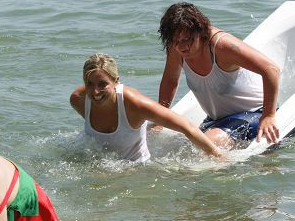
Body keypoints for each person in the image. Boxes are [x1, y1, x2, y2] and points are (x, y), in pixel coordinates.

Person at [158, 2, 280, 146]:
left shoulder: (221, 47)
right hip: (216, 119)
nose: (182, 46)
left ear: (200, 32)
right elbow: (170, 80)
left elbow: (271, 69)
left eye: (187, 40)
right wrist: (161, 117)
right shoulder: (176, 49)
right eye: (176, 41)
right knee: (183, 147)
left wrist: (269, 116)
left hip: (254, 112)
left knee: (207, 144)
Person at [70, 53, 225, 162]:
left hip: (136, 170)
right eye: (90, 84)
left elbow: (186, 126)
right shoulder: (79, 100)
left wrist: (217, 156)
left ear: (116, 81)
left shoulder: (135, 105)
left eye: (102, 84)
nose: (96, 91)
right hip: (102, 170)